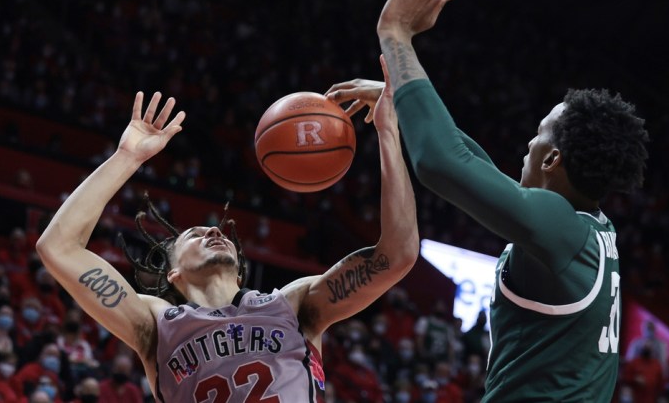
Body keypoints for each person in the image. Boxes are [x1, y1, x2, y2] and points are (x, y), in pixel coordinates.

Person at [326, 0, 649, 401]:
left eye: (537, 135)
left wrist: (396, 33)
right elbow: (475, 165)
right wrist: (402, 99)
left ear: (553, 158)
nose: (527, 146)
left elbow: (443, 162)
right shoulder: (591, 227)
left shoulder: (560, 226)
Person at [35, 85, 418, 402]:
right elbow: (58, 248)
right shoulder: (156, 324)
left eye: (217, 232)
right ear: (174, 272)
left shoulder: (293, 304)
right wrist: (126, 158)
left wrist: (388, 131)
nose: (213, 232)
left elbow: (397, 254)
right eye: (195, 234)